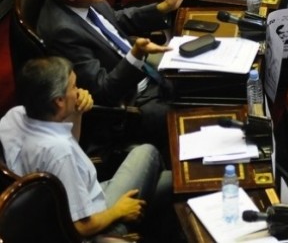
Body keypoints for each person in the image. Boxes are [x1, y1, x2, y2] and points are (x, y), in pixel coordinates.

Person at [37, 0, 199, 149]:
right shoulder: (63, 32)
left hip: (145, 73)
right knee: (194, 116)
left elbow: (115, 20)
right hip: (133, 103)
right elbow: (104, 92)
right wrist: (135, 55)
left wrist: (164, 6)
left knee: (204, 79)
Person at [0, 57, 173, 240]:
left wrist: (76, 112)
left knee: (171, 182)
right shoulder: (59, 152)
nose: (79, 91)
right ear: (58, 100)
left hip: (50, 211)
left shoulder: (14, 115)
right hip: (92, 225)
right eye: (74, 87)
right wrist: (118, 211)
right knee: (149, 153)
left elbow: (69, 140)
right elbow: (79, 226)